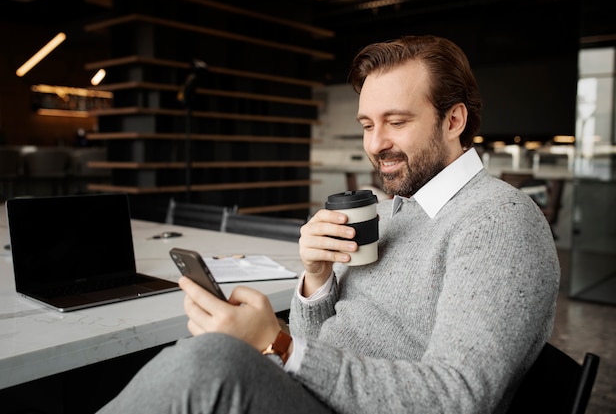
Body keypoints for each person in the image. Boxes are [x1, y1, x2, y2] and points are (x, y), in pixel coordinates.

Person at [96, 35, 559, 414]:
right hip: (314, 398)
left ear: (454, 119)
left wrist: (275, 344)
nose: (376, 144)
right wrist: (316, 282)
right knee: (201, 356)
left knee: (208, 362)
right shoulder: (389, 211)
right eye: (366, 125)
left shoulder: (499, 221)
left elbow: (458, 399)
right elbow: (315, 346)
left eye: (396, 121)